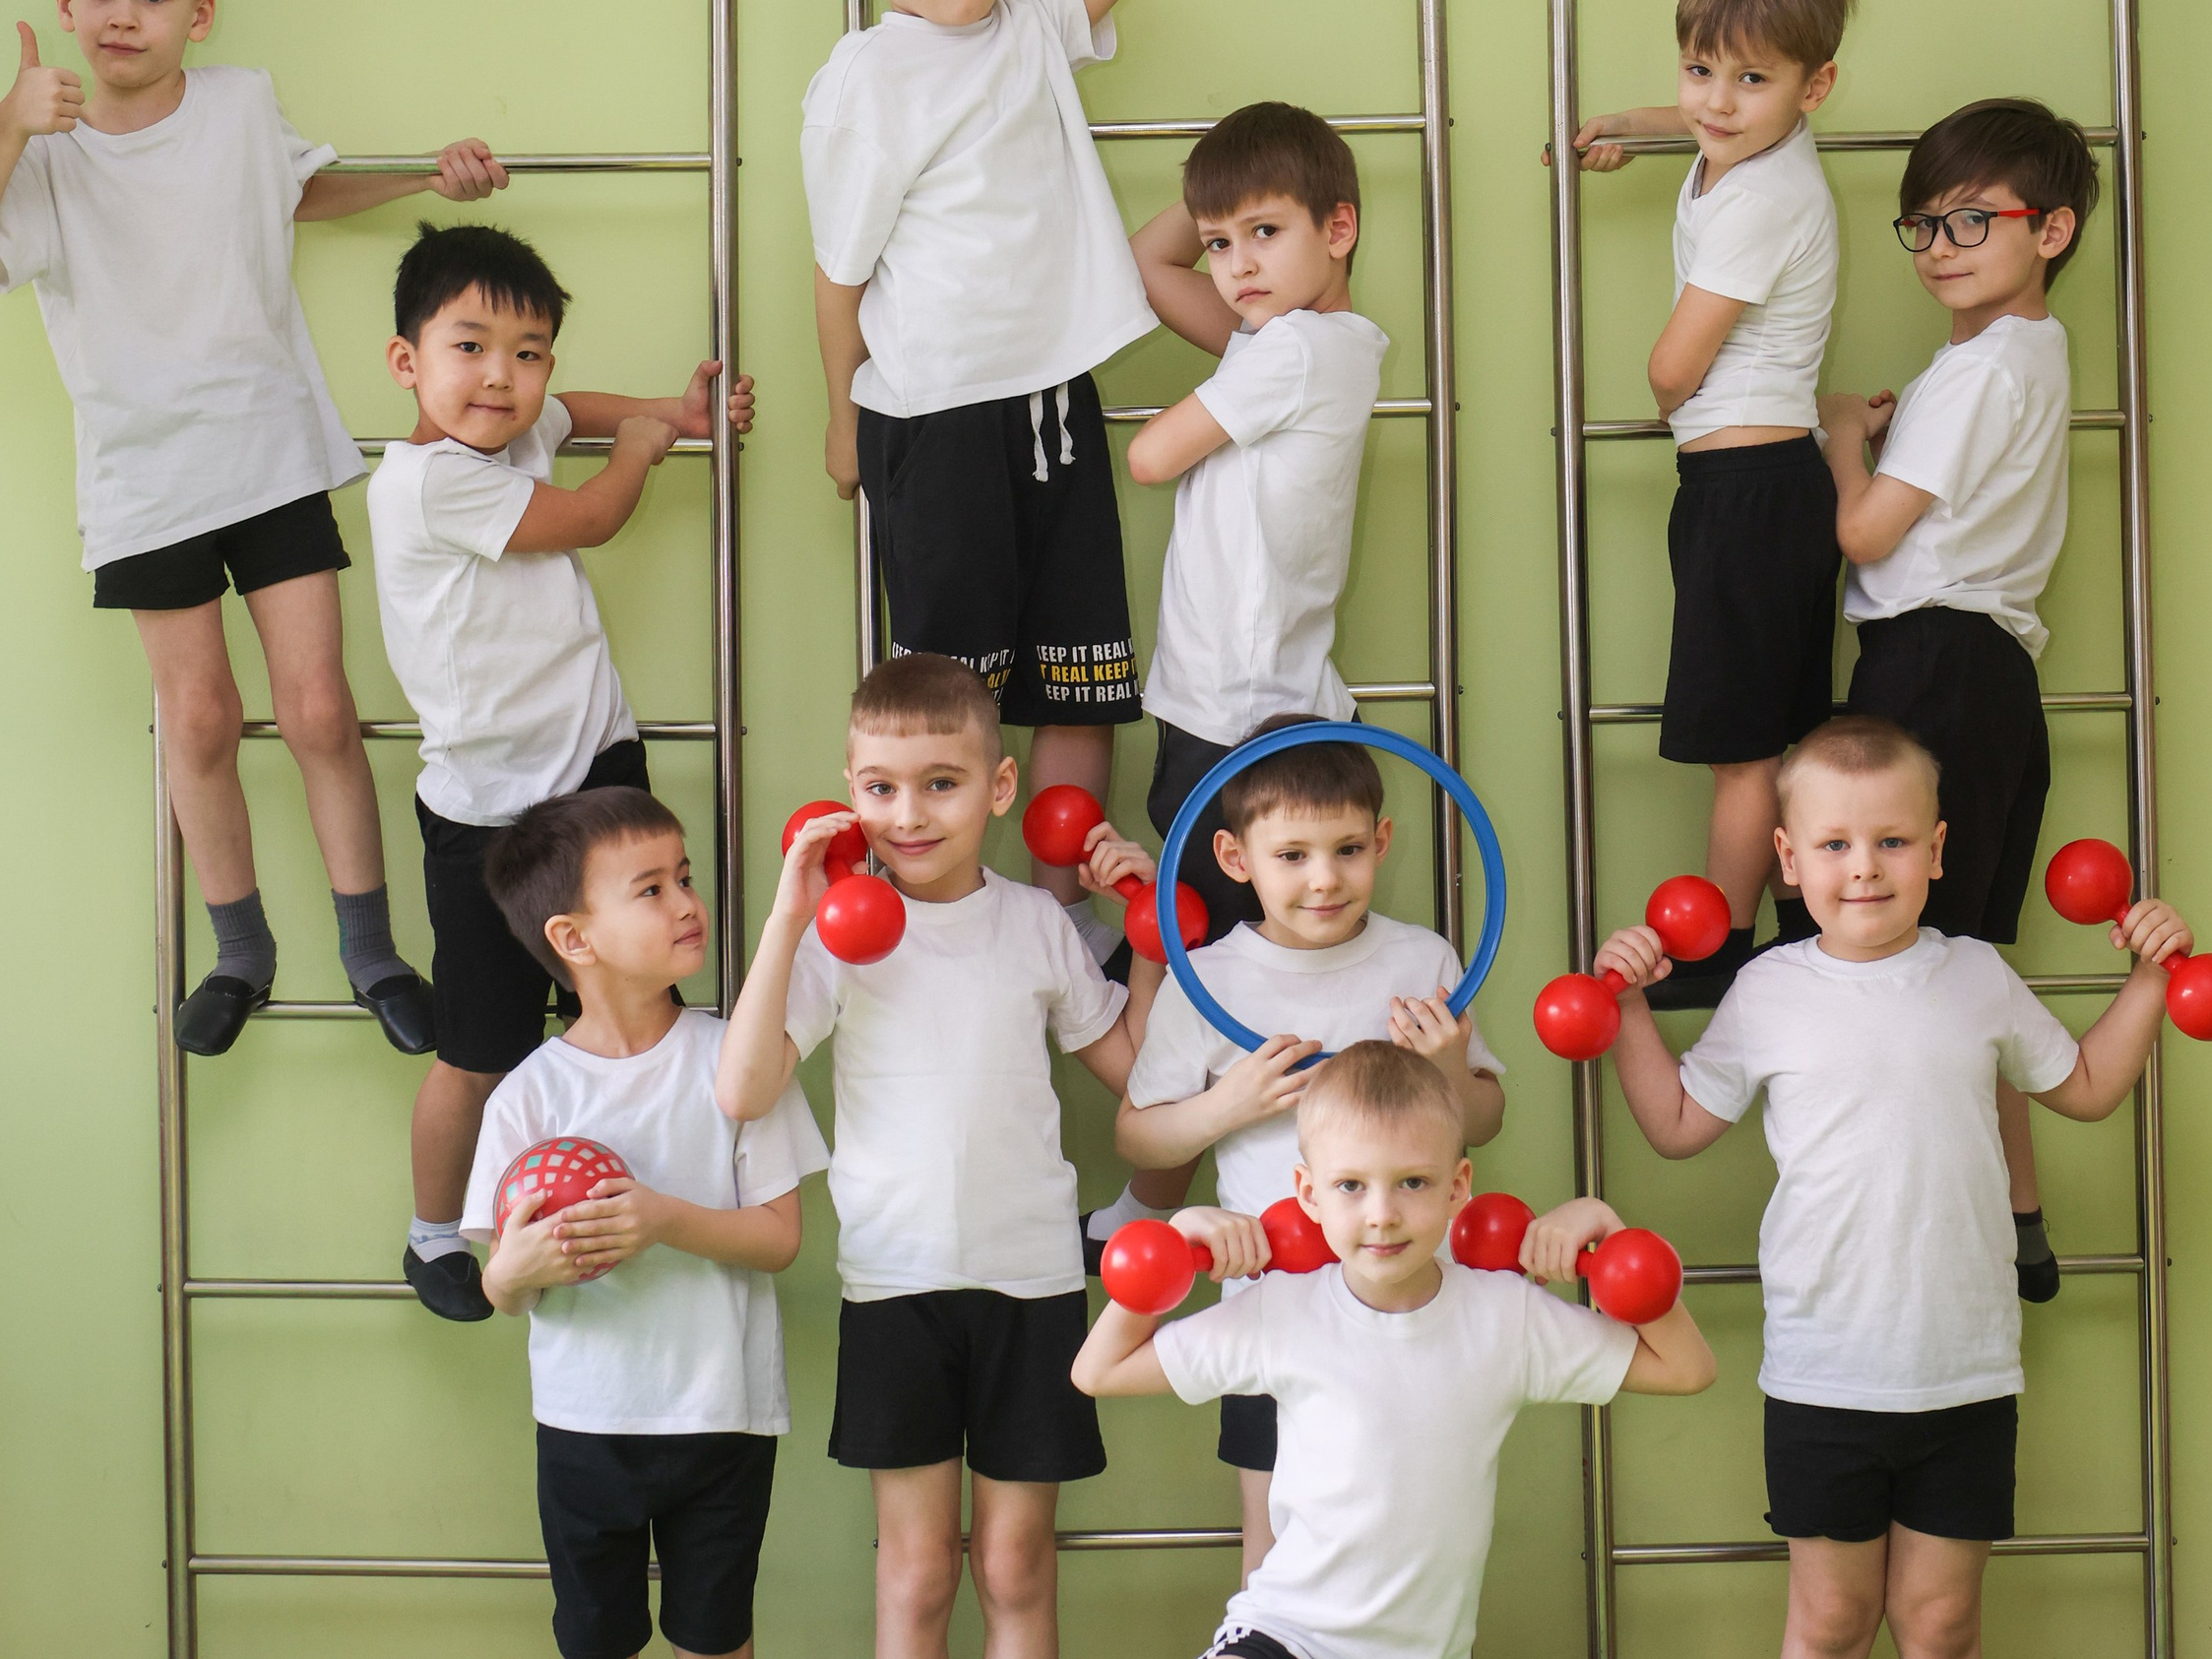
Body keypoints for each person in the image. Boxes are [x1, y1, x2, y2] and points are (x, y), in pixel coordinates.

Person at [0, 0, 513, 1056]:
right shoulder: (47, 150)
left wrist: (426, 175)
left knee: (320, 713)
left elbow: (295, 192)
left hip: (270, 451)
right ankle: (239, 952)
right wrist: (7, 122)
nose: (122, 12)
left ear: (198, 16)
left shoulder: (241, 103)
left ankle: (373, 952)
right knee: (196, 721)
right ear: (66, 1)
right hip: (145, 483)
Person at [1593, 715, 2189, 1659]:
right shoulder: (1767, 989)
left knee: (1941, 1623)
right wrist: (1624, 1005)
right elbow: (1673, 1126)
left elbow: (2083, 1086)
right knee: (1831, 1621)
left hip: (1965, 1368)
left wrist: (2153, 980)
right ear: (1787, 858)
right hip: (1825, 1370)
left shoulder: (1977, 974)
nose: (1863, 866)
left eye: (1892, 841)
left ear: (1936, 850)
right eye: (1834, 844)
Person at [715, 653, 1158, 1659]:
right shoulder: (835, 937)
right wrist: (788, 916)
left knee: (1014, 1565)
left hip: (1034, 1286)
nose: (907, 814)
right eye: (879, 788)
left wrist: (1151, 936)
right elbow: (742, 1091)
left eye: (940, 784)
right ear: (848, 789)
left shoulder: (1040, 926)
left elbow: (1138, 1083)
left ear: (1001, 789)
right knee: (915, 1577)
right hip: (896, 1285)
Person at [367, 223, 755, 1322]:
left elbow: (567, 414)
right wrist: (643, 449)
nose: (504, 377)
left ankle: (660, 1190)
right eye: (472, 348)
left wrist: (667, 416)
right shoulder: (430, 483)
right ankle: (434, 1230)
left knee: (639, 1015)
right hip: (490, 819)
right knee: (479, 1050)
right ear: (409, 362)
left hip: (592, 775)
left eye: (529, 351)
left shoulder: (511, 428)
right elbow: (590, 512)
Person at [1074, 1041, 1715, 1659]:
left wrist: (1610, 1231)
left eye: (1412, 1181)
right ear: (1308, 1193)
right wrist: (1175, 1237)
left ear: (1458, 1186)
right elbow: (1099, 1369)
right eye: (1350, 1184)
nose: (1382, 1213)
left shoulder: (1506, 1316)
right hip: (1284, 1633)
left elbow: (1687, 1368)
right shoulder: (1282, 1310)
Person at [800, 0, 1156, 966]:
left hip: (1053, 401)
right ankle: (938, 919)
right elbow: (839, 274)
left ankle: (1062, 915)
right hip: (933, 415)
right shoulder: (867, 77)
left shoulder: (1030, 17)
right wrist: (841, 418)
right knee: (950, 700)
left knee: (1083, 679)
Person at [1104, 717, 1506, 1579]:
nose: (1325, 879)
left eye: (1348, 849)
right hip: (1271, 1313)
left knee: (1410, 1535)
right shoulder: (1207, 979)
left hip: (1409, 1305)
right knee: (1279, 1550)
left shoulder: (1421, 959)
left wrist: (1445, 1069)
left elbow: (1484, 1117)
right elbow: (1136, 1129)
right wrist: (1227, 1105)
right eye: (1292, 855)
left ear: (1382, 840)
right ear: (1236, 855)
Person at [1815, 98, 2104, 1303]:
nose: (1940, 244)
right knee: (1962, 970)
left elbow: (1866, 533)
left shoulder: (1979, 370)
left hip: (1929, 667)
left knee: (1890, 966)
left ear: (2053, 229)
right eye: (1922, 224)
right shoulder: (2024, 357)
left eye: (1972, 218)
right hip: (1990, 680)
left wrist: (1841, 437)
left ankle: (1915, 1237)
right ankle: (2018, 1228)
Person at [464, 787, 829, 1659]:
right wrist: (521, 1268)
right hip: (586, 1423)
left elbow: (779, 1238)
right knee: (598, 1643)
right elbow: (502, 1287)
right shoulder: (530, 1095)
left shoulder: (738, 1056)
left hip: (721, 1417)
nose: (687, 903)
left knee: (716, 1640)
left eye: (686, 877)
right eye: (652, 888)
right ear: (574, 938)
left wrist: (662, 1220)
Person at [1574, 0, 1857, 1005]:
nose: (1716, 103)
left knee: (1739, 750)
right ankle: (1789, 924)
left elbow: (1674, 363)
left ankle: (1722, 950)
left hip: (1746, 490)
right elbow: (1703, 118)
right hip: (1758, 487)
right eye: (1699, 72)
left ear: (1813, 87)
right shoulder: (1752, 144)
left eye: (1749, 80)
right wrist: (1627, 125)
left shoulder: (1760, 198)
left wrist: (1661, 394)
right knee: (1768, 732)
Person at [1123, 101, 1385, 972]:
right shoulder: (1283, 341)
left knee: (1240, 962)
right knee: (1246, 950)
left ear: (1338, 226)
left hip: (1238, 712)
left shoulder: (1293, 352)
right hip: (1241, 696)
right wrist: (1221, 189)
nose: (1237, 266)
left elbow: (1151, 457)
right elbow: (1150, 263)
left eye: (1264, 231)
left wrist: (1216, 205)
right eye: (1220, 242)